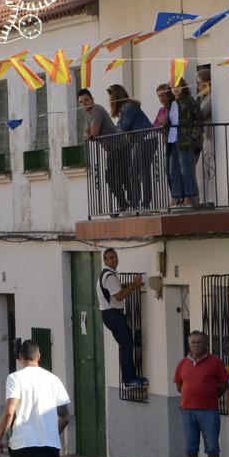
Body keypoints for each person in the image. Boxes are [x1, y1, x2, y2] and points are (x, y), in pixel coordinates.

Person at [173, 330, 229, 457]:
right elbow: (179, 386)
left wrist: (211, 395)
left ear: (206, 345)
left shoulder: (215, 362)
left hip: (209, 411)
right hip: (187, 411)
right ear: (189, 345)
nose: (196, 345)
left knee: (212, 446)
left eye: (199, 342)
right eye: (193, 342)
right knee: (190, 447)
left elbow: (224, 384)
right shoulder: (182, 363)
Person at [96, 247, 148, 389]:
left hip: (110, 314)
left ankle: (129, 378)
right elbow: (119, 296)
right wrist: (134, 285)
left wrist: (128, 285)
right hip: (113, 314)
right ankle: (129, 379)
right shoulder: (109, 277)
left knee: (126, 344)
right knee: (127, 345)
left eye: (115, 257)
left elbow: (115, 290)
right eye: (110, 257)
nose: (114, 259)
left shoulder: (107, 275)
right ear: (105, 260)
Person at [78, 87, 127, 212]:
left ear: (92, 99)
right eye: (81, 102)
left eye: (86, 100)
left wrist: (90, 134)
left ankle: (128, 203)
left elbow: (93, 133)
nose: (84, 104)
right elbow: (85, 134)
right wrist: (88, 134)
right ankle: (124, 203)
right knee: (112, 177)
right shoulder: (89, 115)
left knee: (119, 177)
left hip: (120, 147)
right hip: (112, 149)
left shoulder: (97, 110)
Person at [107, 83, 155, 210]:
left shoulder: (128, 107)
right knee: (135, 172)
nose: (110, 100)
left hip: (146, 139)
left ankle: (144, 204)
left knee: (141, 172)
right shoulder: (126, 108)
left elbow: (123, 127)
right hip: (142, 140)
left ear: (116, 97)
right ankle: (137, 203)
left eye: (111, 97)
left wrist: (118, 124)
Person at [166, 77, 203, 208]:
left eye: (177, 86)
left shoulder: (190, 101)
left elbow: (199, 120)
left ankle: (190, 197)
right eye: (172, 87)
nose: (175, 89)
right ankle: (176, 197)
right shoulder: (170, 104)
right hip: (172, 139)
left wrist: (194, 135)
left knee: (186, 170)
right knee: (172, 170)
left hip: (186, 140)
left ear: (183, 86)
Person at [196, 67, 215, 207]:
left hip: (210, 135)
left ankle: (210, 199)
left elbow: (200, 112)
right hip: (204, 136)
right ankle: (203, 199)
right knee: (202, 169)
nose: (198, 85)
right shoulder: (203, 97)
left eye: (200, 82)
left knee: (209, 168)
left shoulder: (210, 97)